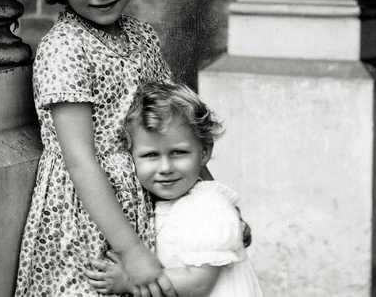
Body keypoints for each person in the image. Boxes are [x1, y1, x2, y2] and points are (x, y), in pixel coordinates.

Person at [13, 0, 176, 297]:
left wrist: (214, 201)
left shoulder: (141, 37)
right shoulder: (65, 47)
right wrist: (131, 249)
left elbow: (177, 128)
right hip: (83, 220)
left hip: (143, 203)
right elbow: (81, 160)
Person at [85, 82, 264, 297]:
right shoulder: (164, 203)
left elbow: (198, 283)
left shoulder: (209, 208)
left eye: (179, 153)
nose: (166, 168)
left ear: (204, 152)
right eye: (151, 155)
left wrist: (129, 283)